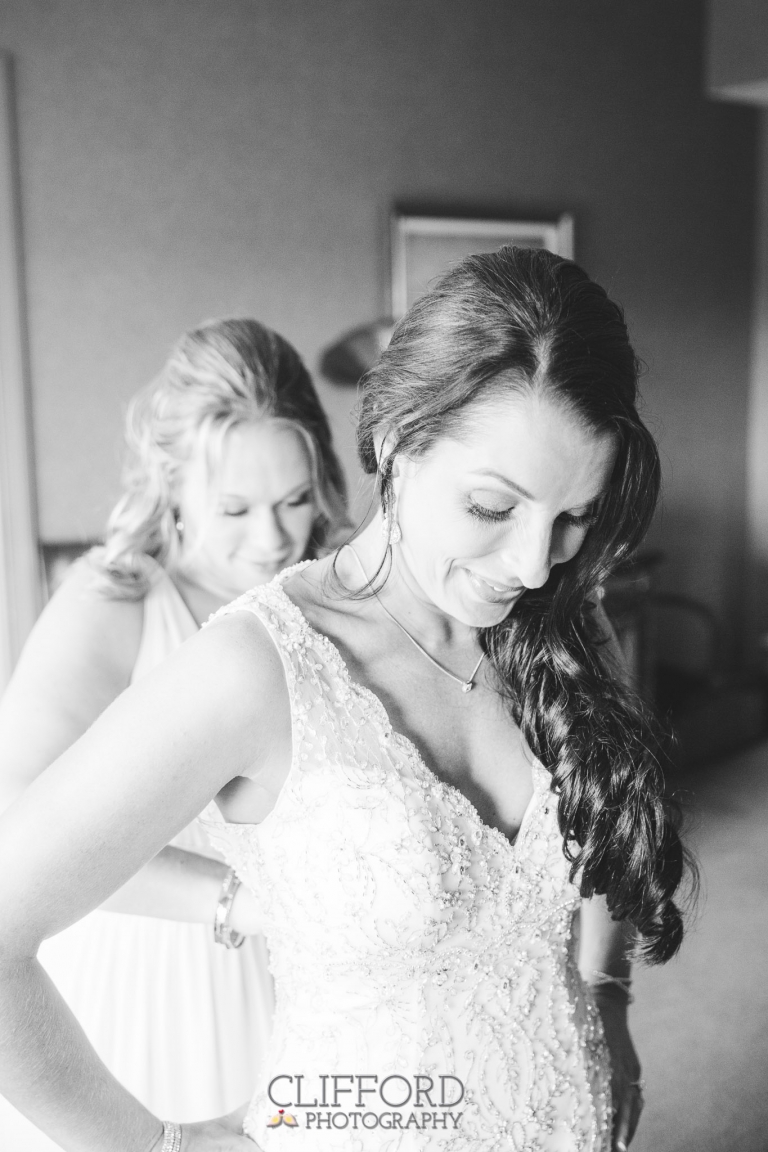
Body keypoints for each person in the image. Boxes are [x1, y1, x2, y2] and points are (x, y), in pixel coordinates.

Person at [0, 248, 690, 1152]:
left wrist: (608, 996)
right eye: (492, 508)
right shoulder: (256, 666)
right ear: (397, 442)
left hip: (572, 1111)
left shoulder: (569, 622)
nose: (532, 565)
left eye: (572, 517)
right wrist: (157, 1145)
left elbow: (602, 841)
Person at [0, 317, 348, 1145]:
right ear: (171, 486)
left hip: (307, 974)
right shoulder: (115, 601)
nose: (273, 537)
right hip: (145, 981)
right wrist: (236, 901)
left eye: (295, 499)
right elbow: (13, 822)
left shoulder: (330, 598)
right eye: (235, 508)